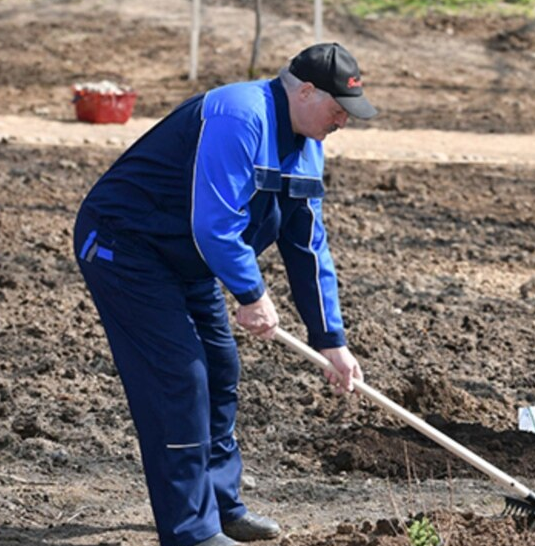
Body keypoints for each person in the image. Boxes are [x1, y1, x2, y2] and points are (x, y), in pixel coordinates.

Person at [73, 43, 375, 546]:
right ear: (305, 91)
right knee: (180, 376)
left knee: (219, 366)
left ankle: (219, 507)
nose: (343, 121)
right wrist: (251, 293)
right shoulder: (238, 116)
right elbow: (214, 224)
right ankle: (191, 532)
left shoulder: (308, 144)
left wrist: (331, 340)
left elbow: (307, 245)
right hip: (126, 247)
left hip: (187, 259)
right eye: (339, 109)